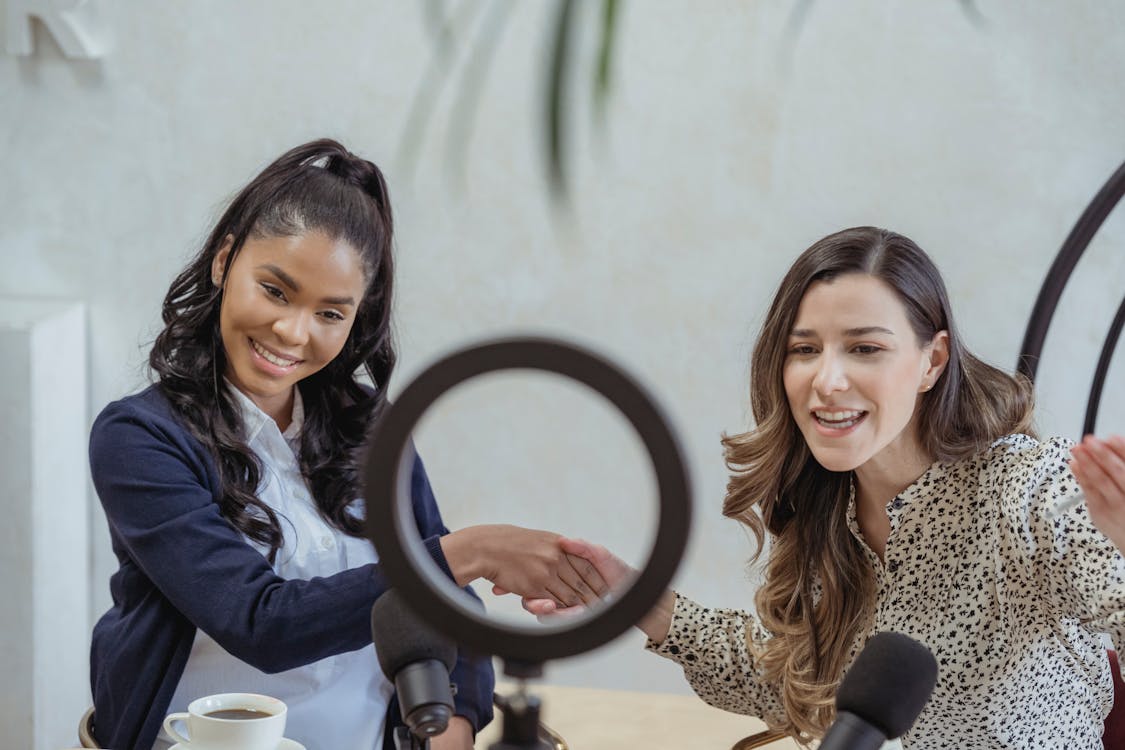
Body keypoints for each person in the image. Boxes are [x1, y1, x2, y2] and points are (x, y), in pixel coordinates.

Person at [88, 139, 604, 750]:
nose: (292, 332)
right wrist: (471, 550)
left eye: (331, 314)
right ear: (225, 261)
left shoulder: (370, 424)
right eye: (275, 291)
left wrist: (457, 727)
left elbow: (453, 604)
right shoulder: (139, 439)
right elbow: (260, 623)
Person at [527, 227, 1125, 749]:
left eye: (865, 348)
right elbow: (784, 677)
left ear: (933, 361)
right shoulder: (828, 506)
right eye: (804, 350)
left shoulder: (1035, 490)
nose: (828, 379)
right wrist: (637, 597)